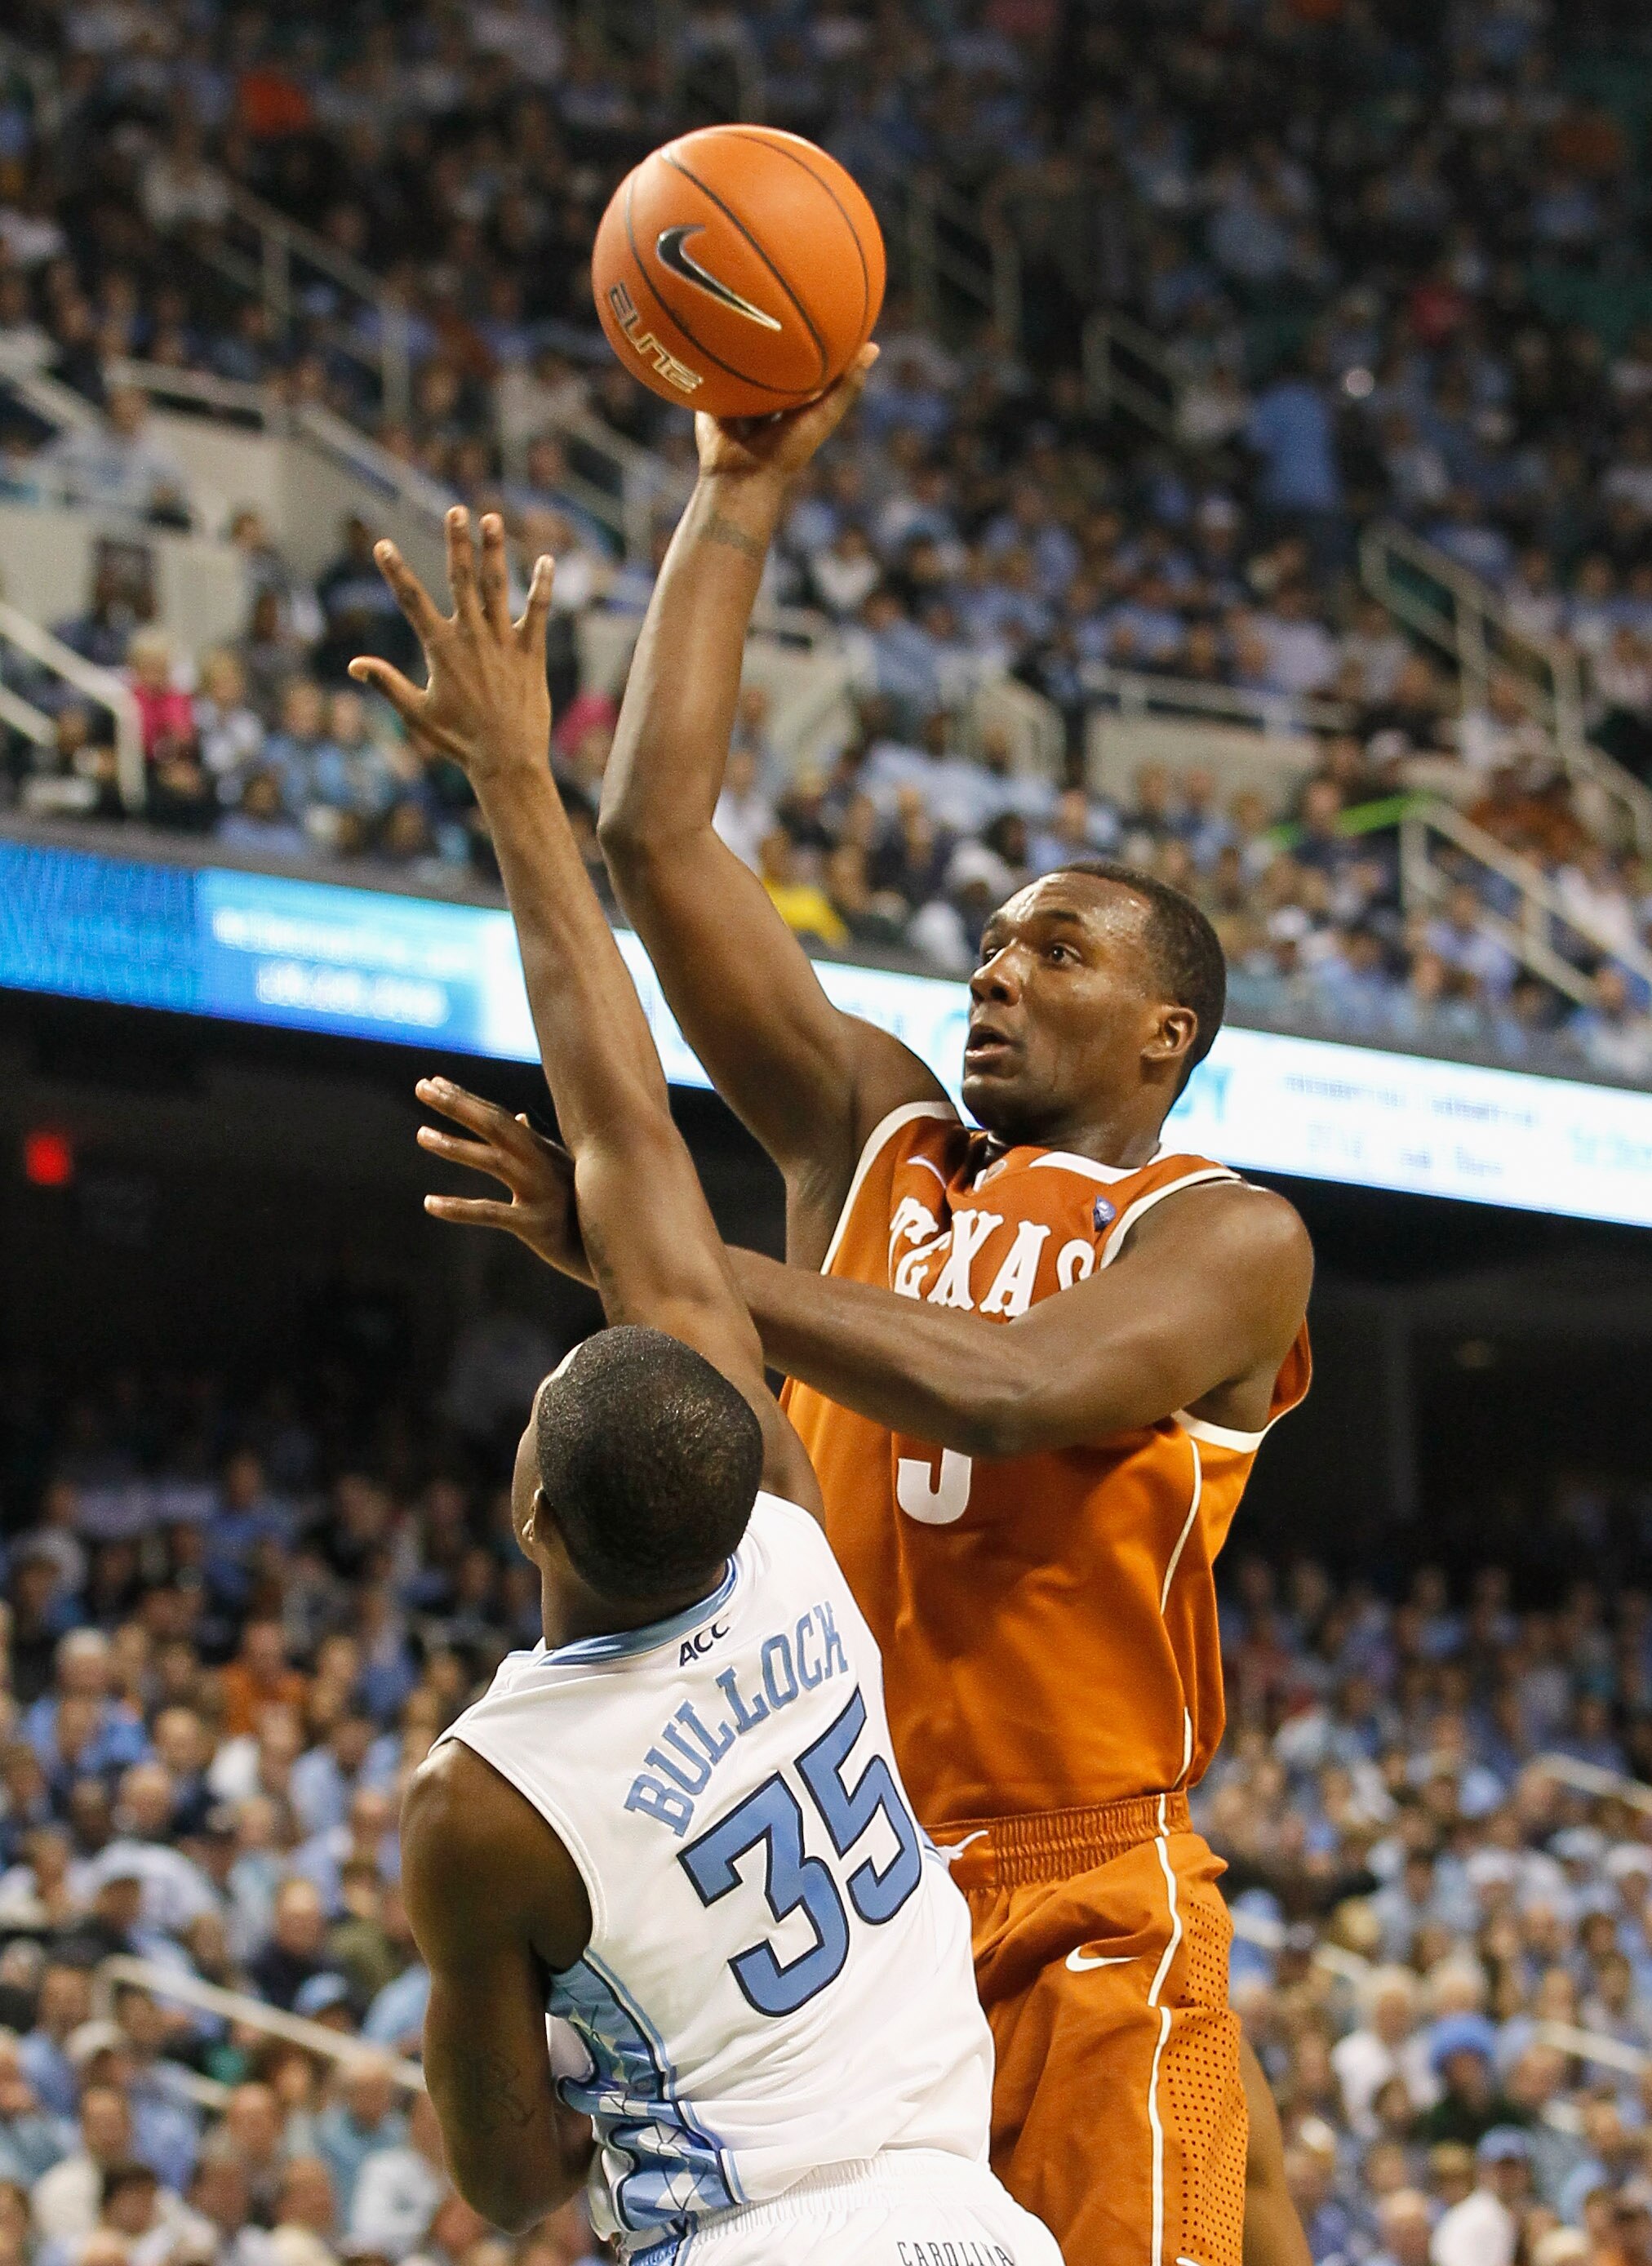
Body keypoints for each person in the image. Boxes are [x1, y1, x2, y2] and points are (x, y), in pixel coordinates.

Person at [580, 351, 1316, 2263]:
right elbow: (654, 846)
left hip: (1087, 1902)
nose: (994, 969)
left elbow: (1016, 1389)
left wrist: (686, 1271)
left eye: (1051, 949)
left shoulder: (1223, 1232)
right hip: (852, 1891)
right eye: (988, 943)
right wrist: (736, 493)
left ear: (1167, 1031)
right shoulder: (872, 1131)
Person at [353, 509, 1061, 2264]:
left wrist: (514, 777)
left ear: (529, 1504)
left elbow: (513, 2181)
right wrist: (521, 771)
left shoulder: (481, 1799)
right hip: (973, 2225)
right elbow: (625, 1136)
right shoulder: (795, 1546)